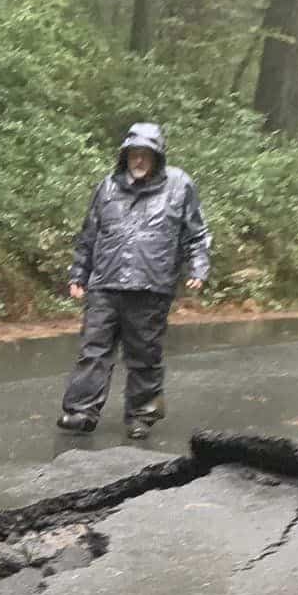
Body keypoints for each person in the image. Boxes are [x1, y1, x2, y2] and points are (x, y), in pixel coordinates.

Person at [57, 122, 211, 440]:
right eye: (133, 154)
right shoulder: (107, 187)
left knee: (144, 354)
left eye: (145, 154)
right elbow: (90, 234)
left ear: (157, 157)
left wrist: (198, 267)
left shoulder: (180, 186)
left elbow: (196, 234)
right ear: (124, 156)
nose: (138, 160)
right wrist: (79, 273)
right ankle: (81, 412)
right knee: (93, 350)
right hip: (105, 282)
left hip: (151, 285)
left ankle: (142, 414)